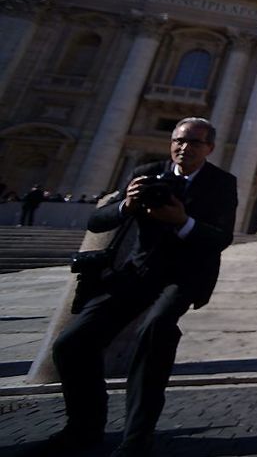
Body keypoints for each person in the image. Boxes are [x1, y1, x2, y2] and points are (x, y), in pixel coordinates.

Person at [40, 118, 237, 457]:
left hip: (185, 277)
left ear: (209, 149)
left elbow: (220, 238)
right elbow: (97, 221)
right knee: (71, 343)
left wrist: (183, 222)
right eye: (178, 140)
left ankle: (136, 439)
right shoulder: (147, 172)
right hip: (139, 271)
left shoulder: (222, 183)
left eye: (193, 142)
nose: (183, 147)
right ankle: (84, 427)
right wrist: (125, 207)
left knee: (155, 332)